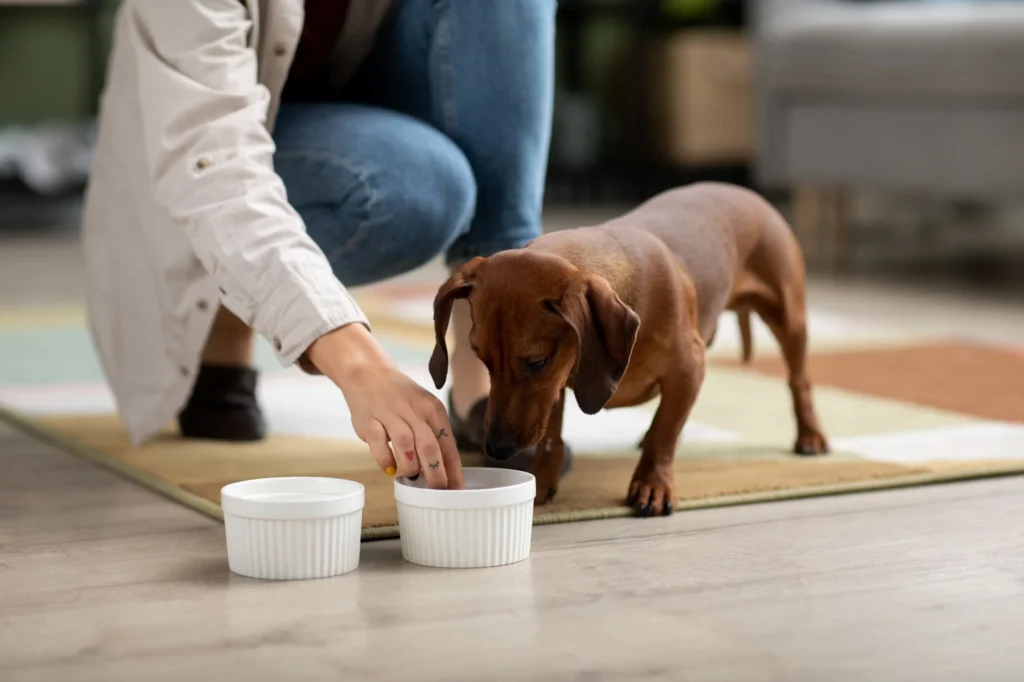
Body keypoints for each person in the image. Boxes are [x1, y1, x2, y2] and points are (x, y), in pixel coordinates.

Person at [81, 0, 557, 490]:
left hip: (361, 100)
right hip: (210, 154)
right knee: (421, 191)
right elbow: (215, 165)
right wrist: (360, 366)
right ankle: (222, 314)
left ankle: (484, 370)